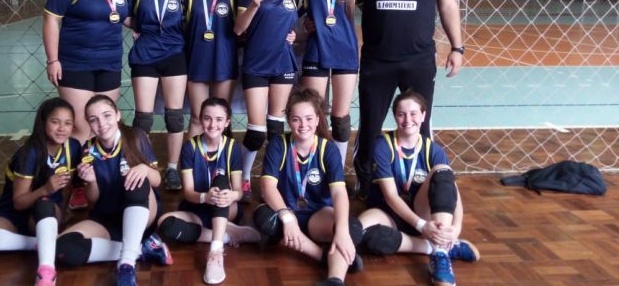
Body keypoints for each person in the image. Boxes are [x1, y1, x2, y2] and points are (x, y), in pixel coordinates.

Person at [354, 0, 464, 197]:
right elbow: (357, 3)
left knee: (419, 125)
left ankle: (421, 182)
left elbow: (447, 4)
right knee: (370, 125)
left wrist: (457, 47)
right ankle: (366, 182)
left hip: (418, 59)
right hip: (377, 59)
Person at [357, 89, 479, 286]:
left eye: (413, 113)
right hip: (388, 211)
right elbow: (391, 197)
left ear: (423, 115)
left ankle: (440, 254)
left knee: (442, 171)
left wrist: (456, 228)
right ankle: (438, 248)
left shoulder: (434, 150)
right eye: (401, 114)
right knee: (360, 234)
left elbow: (453, 193)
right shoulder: (382, 145)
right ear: (395, 116)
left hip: (421, 210)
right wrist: (422, 226)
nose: (408, 120)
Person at [0, 97, 82, 286]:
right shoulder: (29, 152)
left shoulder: (72, 147)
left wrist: (62, 215)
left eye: (68, 123)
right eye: (55, 122)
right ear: (43, 122)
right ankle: (42, 242)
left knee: (44, 204)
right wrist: (46, 188)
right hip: (13, 215)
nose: (62, 128)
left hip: (46, 214)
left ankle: (46, 271)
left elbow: (67, 188)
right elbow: (19, 203)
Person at [55, 95, 171, 286]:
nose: (102, 124)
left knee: (136, 179)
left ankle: (126, 264)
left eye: (107, 115)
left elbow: (157, 180)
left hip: (141, 213)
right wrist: (91, 181)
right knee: (63, 247)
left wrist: (144, 169)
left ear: (117, 115)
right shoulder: (88, 150)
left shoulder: (136, 137)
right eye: (94, 119)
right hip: (107, 219)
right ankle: (142, 249)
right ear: (89, 124)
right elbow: (93, 201)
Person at [252, 88, 363, 286]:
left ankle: (335, 280)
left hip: (318, 216)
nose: (303, 125)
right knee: (263, 218)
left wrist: (342, 231)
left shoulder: (328, 149)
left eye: (309, 118)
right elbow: (267, 187)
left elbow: (339, 192)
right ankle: (322, 256)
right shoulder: (278, 144)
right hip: (286, 213)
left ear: (318, 120)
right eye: (296, 119)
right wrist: (287, 217)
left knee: (351, 227)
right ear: (289, 120)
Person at [157, 97, 260, 284]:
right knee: (165, 223)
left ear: (227, 122)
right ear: (200, 119)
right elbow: (188, 192)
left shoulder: (233, 148)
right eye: (207, 118)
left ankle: (216, 251)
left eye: (219, 119)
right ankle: (227, 235)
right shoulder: (189, 147)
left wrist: (231, 195)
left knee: (220, 182)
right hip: (197, 206)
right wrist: (205, 197)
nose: (213, 124)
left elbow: (239, 191)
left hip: (225, 207)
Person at [43, 0, 131, 143]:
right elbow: (51, 20)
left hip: (110, 65)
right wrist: (53, 60)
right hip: (76, 64)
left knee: (102, 128)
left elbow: (125, 18)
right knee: (82, 128)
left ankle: (98, 166)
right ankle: (77, 166)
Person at [285, 0, 359, 169]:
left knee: (340, 118)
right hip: (317, 50)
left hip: (346, 52)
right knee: (313, 114)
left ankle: (336, 169)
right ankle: (313, 166)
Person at [234, 0, 298, 202]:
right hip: (256, 64)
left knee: (276, 130)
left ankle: (274, 180)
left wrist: (297, 34)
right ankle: (244, 178)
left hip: (283, 63)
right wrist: (254, 3)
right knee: (256, 133)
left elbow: (306, 21)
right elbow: (238, 28)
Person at [126, 0, 187, 191]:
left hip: (174, 54)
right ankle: (143, 165)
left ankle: (172, 168)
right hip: (145, 55)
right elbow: (123, 13)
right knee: (143, 119)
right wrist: (137, 27)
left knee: (175, 117)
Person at [185, 0, 242, 138]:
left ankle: (224, 158)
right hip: (196, 61)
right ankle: (191, 157)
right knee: (197, 117)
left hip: (223, 61)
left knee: (221, 119)